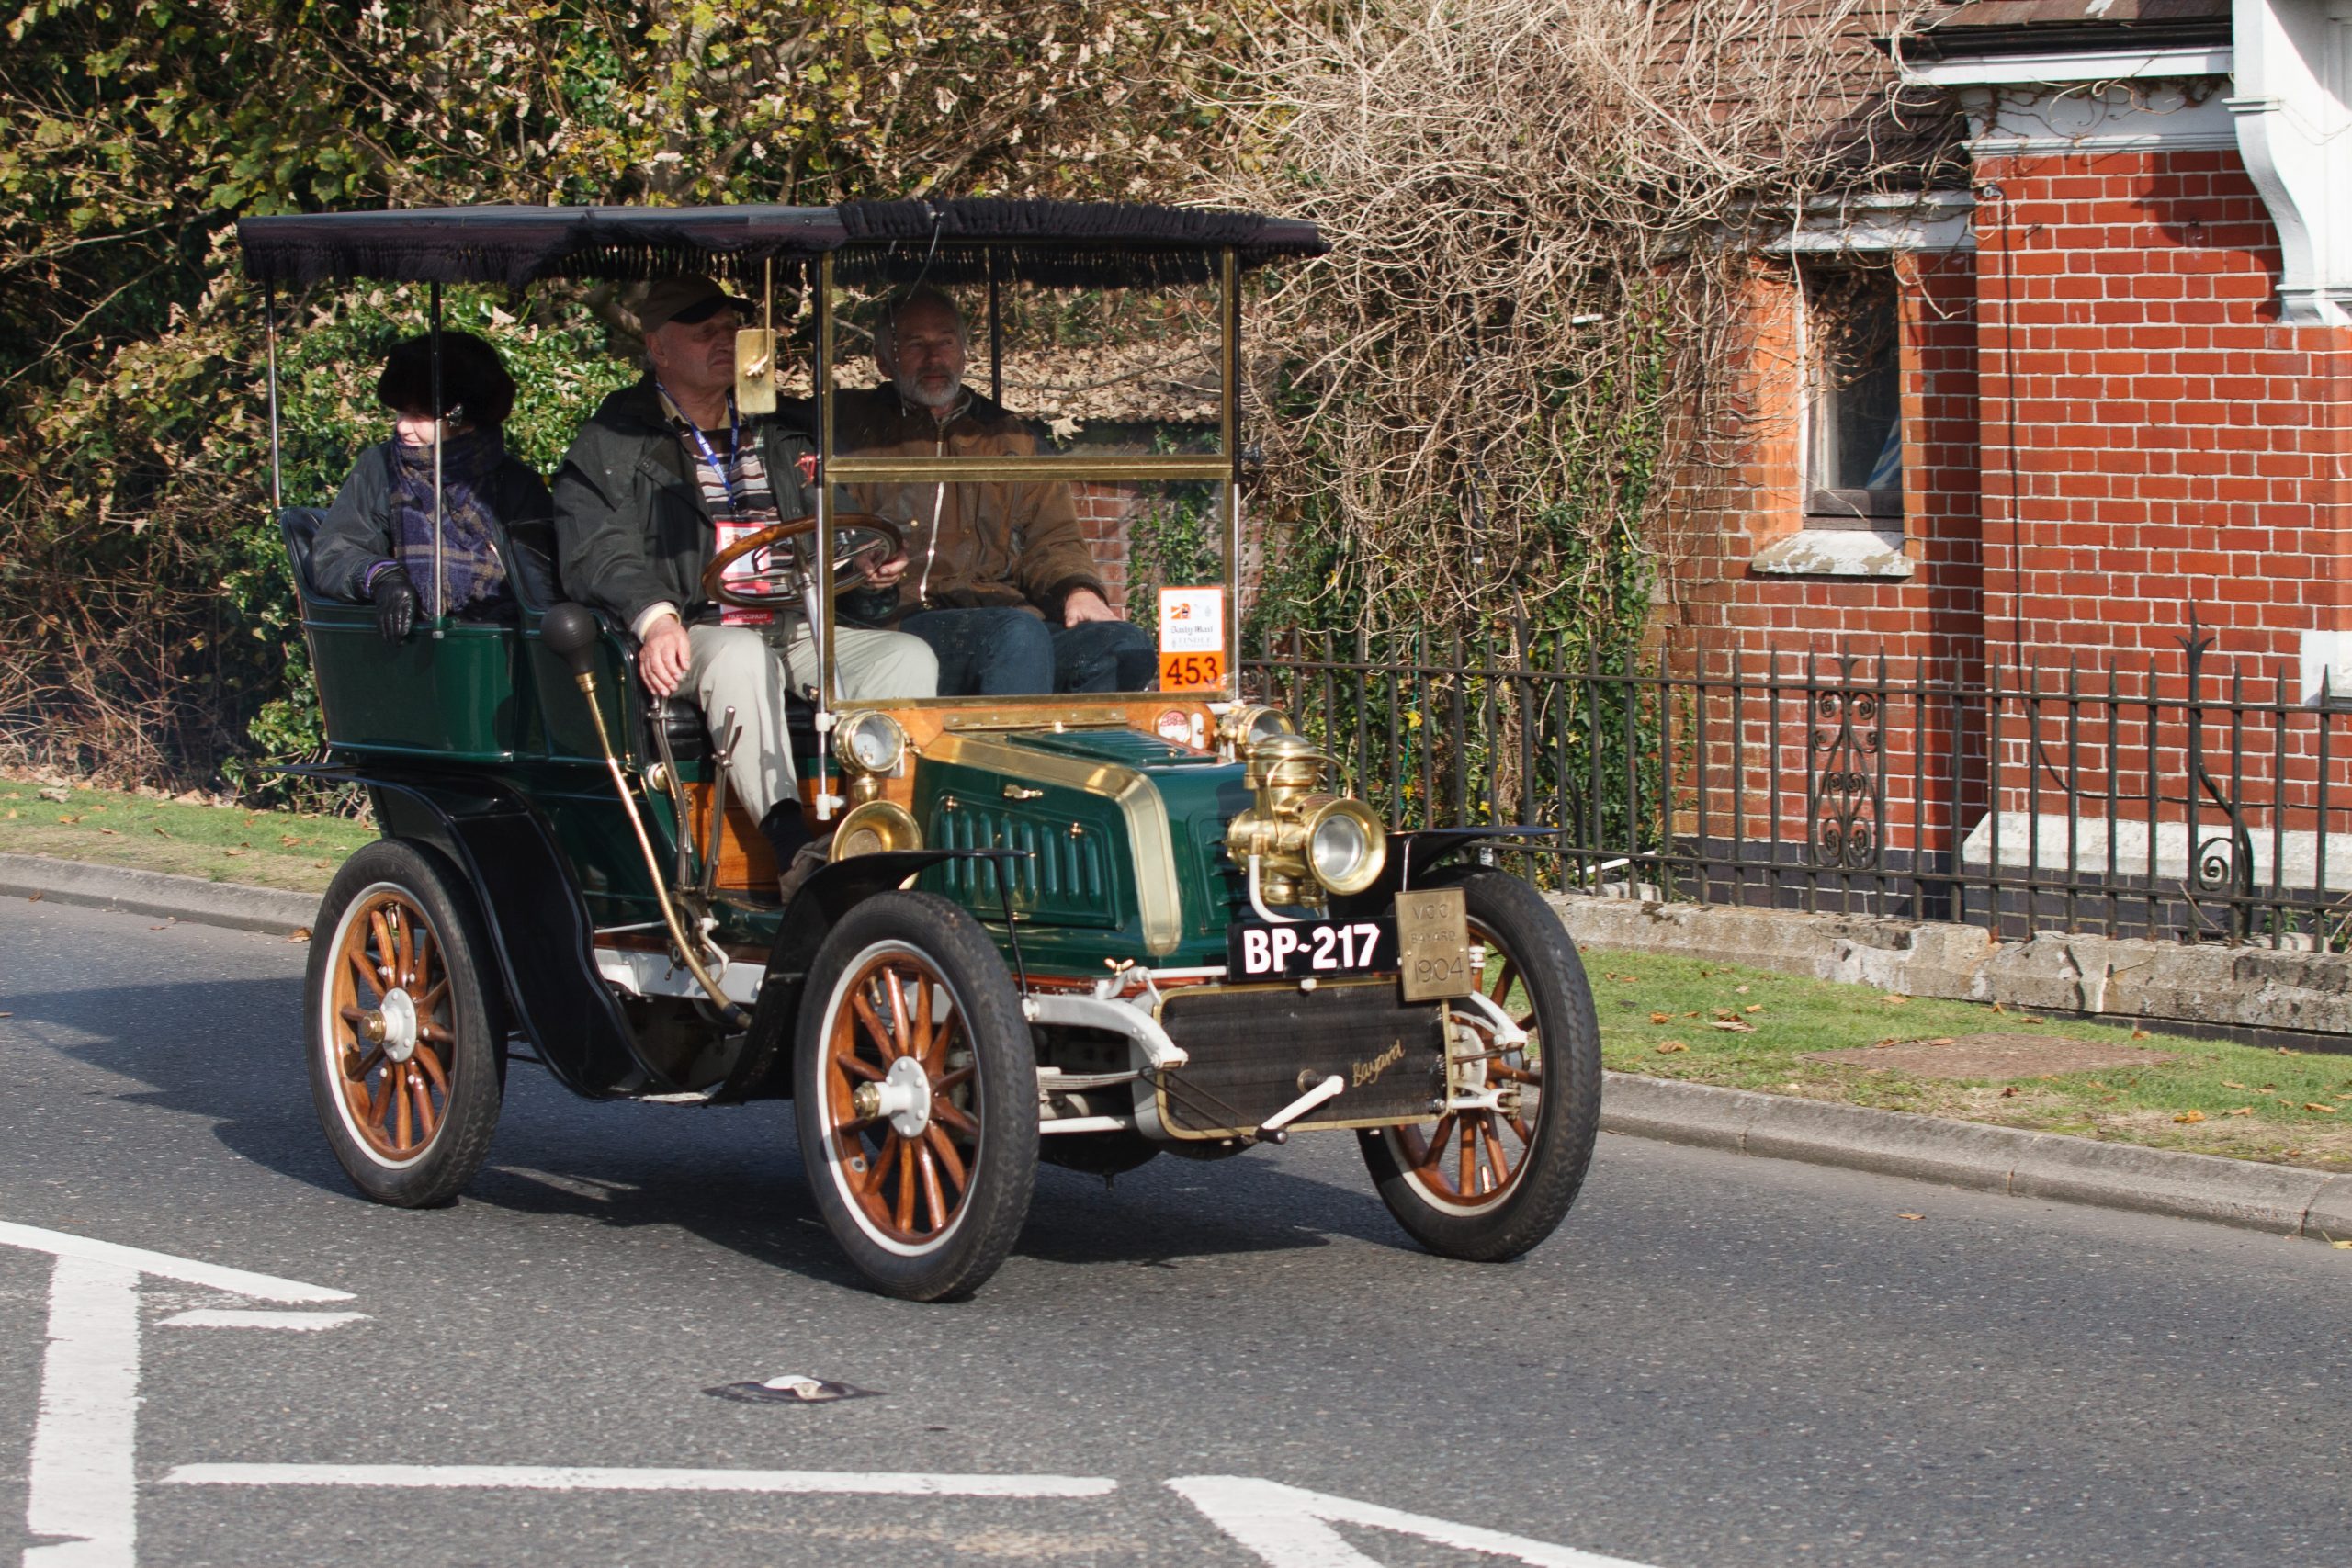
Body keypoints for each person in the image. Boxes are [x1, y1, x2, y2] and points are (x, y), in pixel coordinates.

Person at [552, 275, 937, 898]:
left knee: (907, 656)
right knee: (738, 654)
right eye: (704, 333)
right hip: (696, 630)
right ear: (658, 348)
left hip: (793, 622)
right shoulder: (615, 440)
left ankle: (885, 831)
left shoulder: (782, 429)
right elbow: (599, 549)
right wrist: (654, 619)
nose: (723, 342)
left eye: (730, 330)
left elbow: (832, 515)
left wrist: (866, 558)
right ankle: (793, 850)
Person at [834, 287, 1159, 696]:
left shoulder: (1009, 437)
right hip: (901, 622)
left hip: (1004, 623)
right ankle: (1009, 759)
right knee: (1015, 634)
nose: (934, 358)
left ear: (964, 353)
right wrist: (859, 559)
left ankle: (1082, 756)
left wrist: (1079, 589)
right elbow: (819, 510)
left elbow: (1052, 537)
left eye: (946, 342)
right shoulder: (848, 426)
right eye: (915, 344)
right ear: (883, 360)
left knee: (1122, 644)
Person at [311, 333, 551, 643]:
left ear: (459, 415)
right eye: (399, 412)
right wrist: (381, 576)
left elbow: (546, 588)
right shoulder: (380, 468)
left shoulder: (518, 485)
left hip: (501, 654)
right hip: (405, 656)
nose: (402, 426)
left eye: (418, 415)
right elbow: (334, 552)